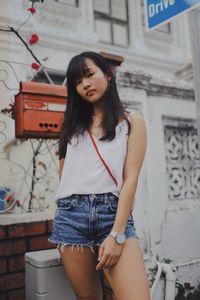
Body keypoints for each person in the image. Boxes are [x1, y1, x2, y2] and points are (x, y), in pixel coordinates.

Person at [48, 51, 151, 300]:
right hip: (71, 217)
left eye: (89, 74)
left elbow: (131, 180)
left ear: (108, 73)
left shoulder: (131, 122)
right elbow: (64, 174)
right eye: (77, 82)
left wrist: (117, 233)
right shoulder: (71, 125)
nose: (85, 84)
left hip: (112, 215)